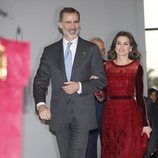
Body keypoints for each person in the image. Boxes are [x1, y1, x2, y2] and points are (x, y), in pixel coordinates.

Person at [33, 7, 106, 158]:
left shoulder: (91, 49)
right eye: (68, 22)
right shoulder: (49, 51)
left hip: (83, 114)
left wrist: (79, 86)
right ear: (60, 24)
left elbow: (101, 81)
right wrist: (40, 105)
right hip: (59, 115)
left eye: (76, 22)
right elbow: (40, 81)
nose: (72, 26)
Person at [101, 31, 152, 158]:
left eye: (125, 43)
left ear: (131, 47)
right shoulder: (105, 66)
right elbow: (102, 95)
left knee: (127, 152)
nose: (121, 47)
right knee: (111, 151)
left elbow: (140, 97)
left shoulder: (136, 67)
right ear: (114, 46)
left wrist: (145, 124)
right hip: (110, 114)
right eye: (118, 43)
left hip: (130, 115)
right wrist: (93, 83)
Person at [85, 37, 106, 158]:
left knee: (109, 145)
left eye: (102, 50)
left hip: (107, 111)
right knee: (89, 147)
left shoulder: (110, 66)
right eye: (98, 49)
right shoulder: (80, 67)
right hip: (87, 112)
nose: (101, 52)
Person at [144, 88, 158, 158]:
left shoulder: (155, 107)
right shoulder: (147, 105)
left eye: (155, 95)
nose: (153, 97)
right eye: (151, 95)